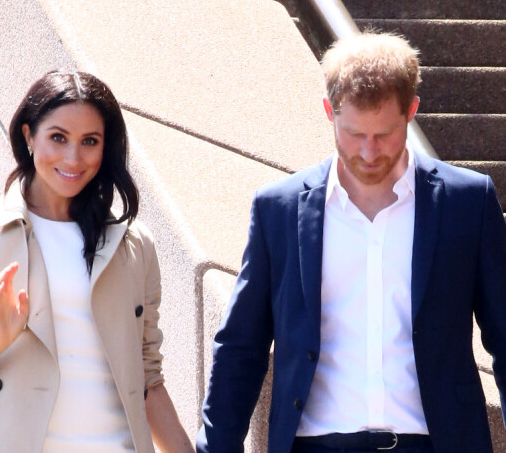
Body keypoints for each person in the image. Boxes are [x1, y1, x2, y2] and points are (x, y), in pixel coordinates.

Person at [197, 32, 506, 453]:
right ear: (329, 111)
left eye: (384, 134)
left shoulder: (466, 202)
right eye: (353, 133)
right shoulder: (280, 209)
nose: (368, 151)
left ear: (411, 111)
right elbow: (241, 347)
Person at [0, 71, 194, 453]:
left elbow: (148, 381)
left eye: (90, 141)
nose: (73, 157)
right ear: (27, 136)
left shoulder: (133, 245)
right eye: (58, 137)